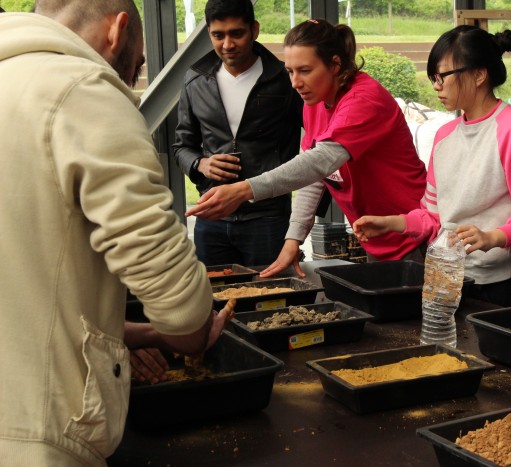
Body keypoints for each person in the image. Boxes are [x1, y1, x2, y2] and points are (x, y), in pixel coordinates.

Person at [0, 1, 230, 464]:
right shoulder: (83, 91)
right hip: (38, 435)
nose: (130, 80)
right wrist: (189, 332)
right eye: (137, 64)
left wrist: (143, 336)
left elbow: (29, 295)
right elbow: (175, 297)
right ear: (118, 30)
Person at [185, 19, 427, 277]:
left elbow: (320, 161)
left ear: (334, 65)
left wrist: (244, 189)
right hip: (378, 238)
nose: (295, 82)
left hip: (417, 236)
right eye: (290, 71)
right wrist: (293, 240)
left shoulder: (364, 99)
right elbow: (316, 177)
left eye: (305, 70)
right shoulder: (315, 102)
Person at [352, 26, 511, 307]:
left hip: (502, 284)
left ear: (479, 74)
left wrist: (494, 237)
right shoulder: (445, 136)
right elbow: (434, 219)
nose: (436, 86)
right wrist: (391, 223)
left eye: (443, 76)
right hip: (449, 277)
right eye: (433, 78)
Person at [173, 0, 303, 267]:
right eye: (218, 35)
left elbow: (318, 146)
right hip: (212, 218)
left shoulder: (284, 79)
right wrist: (201, 164)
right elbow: (181, 147)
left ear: (254, 30)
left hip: (268, 218)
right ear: (208, 32)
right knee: (215, 302)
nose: (227, 44)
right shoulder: (195, 79)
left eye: (236, 33)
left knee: (273, 302)